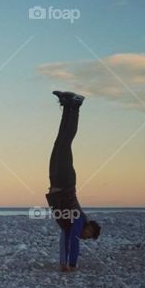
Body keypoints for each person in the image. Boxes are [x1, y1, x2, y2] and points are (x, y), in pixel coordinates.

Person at [46, 91, 101, 272]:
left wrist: (63, 263)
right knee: (64, 143)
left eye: (87, 237)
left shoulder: (67, 225)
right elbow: (73, 242)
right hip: (65, 181)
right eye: (89, 234)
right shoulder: (79, 219)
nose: (85, 236)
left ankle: (67, 105)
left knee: (59, 143)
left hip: (56, 181)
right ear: (89, 227)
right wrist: (72, 264)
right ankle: (75, 106)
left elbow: (65, 239)